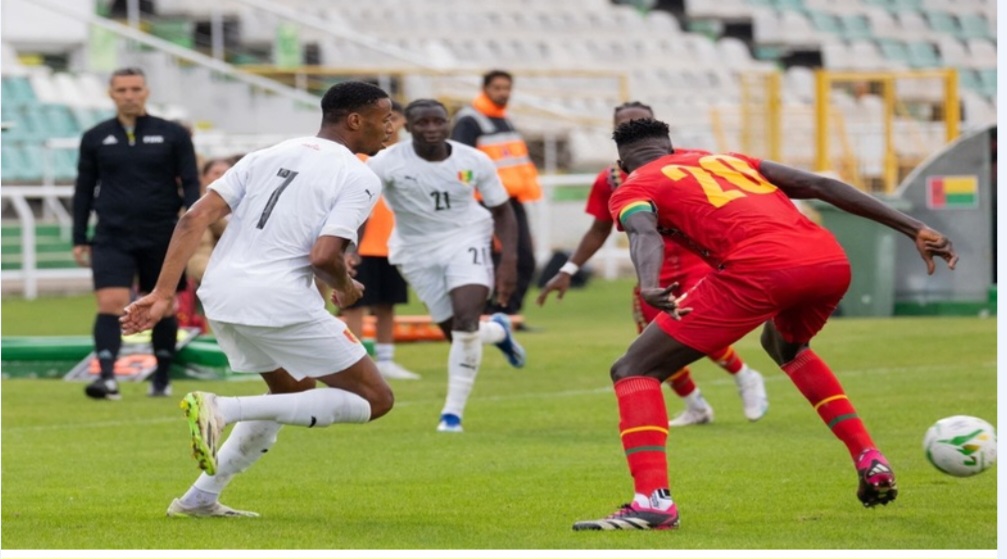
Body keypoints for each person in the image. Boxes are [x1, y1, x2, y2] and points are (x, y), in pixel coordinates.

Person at [573, 118, 958, 531]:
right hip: (827, 261)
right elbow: (821, 186)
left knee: (634, 369)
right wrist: (914, 227)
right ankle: (869, 457)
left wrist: (649, 283)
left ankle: (652, 502)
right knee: (785, 347)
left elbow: (641, 232)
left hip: (760, 269)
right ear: (671, 147)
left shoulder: (633, 186)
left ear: (621, 162)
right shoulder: (727, 160)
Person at [119, 81, 397, 517]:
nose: (391, 130)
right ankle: (222, 408)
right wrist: (345, 285)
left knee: (290, 394)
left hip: (222, 292)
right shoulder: (359, 176)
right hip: (279, 299)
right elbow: (324, 256)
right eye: (386, 119)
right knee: (376, 400)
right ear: (355, 120)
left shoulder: (267, 154)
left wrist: (161, 293)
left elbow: (194, 217)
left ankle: (198, 500)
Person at [537, 102, 767, 427]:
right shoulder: (611, 178)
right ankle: (695, 406)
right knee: (651, 339)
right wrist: (567, 270)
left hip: (695, 260)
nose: (633, 127)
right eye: (624, 124)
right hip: (651, 268)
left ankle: (745, 376)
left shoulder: (689, 160)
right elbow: (599, 229)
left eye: (640, 121)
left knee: (694, 328)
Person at [368, 99, 526, 433]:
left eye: (437, 122)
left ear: (448, 124)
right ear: (407, 127)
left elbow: (502, 210)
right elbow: (356, 200)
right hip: (415, 250)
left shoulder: (474, 160)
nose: (431, 129)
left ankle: (451, 415)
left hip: (466, 237)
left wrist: (509, 261)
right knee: (455, 332)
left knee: (466, 321)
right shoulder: (387, 163)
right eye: (422, 123)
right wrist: (348, 246)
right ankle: (497, 331)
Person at [72, 66, 200, 400]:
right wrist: (78, 237)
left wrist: (192, 220)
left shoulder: (173, 134)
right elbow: (84, 189)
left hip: (161, 234)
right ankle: (108, 378)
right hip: (112, 235)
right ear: (111, 94)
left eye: (135, 89)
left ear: (146, 92)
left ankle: (161, 377)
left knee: (163, 305)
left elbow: (190, 182)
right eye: (122, 90)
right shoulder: (95, 137)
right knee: (110, 303)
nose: (129, 95)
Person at [451, 70, 541, 324]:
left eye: (506, 88)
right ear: (485, 89)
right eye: (497, 88)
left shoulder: (504, 120)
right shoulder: (470, 121)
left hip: (511, 201)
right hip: (485, 202)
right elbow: (462, 162)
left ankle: (507, 314)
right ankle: (490, 314)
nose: (503, 93)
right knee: (495, 261)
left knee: (525, 260)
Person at [341, 100, 420, 380]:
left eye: (394, 118)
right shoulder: (361, 155)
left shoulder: (407, 157)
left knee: (388, 303)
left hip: (393, 242)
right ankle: (357, 361)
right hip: (362, 244)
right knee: (355, 304)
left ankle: (386, 358)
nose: (390, 125)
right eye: (385, 119)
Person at [177, 157, 234, 332]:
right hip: (198, 259)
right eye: (216, 173)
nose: (221, 177)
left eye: (226, 173)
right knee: (215, 278)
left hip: (222, 259)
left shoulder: (243, 204)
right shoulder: (197, 203)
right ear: (203, 177)